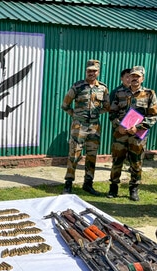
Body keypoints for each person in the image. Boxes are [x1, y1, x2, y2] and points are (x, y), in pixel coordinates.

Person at [107, 66, 157, 201]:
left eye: (138, 76)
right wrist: (118, 126)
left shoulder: (149, 94)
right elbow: (112, 112)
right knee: (117, 161)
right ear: (129, 77)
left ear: (143, 78)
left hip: (137, 136)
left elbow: (153, 116)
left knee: (136, 163)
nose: (134, 78)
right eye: (132, 76)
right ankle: (113, 188)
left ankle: (134, 189)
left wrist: (139, 127)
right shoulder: (120, 93)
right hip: (121, 134)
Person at [61, 59, 110, 195]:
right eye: (89, 71)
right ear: (86, 71)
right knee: (74, 154)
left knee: (91, 155)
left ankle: (88, 184)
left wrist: (96, 114)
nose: (91, 73)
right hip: (79, 126)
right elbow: (65, 105)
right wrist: (75, 115)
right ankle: (68, 184)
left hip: (94, 127)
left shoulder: (103, 88)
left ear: (98, 72)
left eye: (94, 71)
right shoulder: (77, 87)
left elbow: (107, 106)